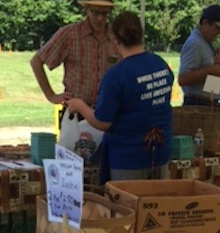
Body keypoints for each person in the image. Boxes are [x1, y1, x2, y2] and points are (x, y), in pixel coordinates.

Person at [65, 11, 174, 183]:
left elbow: (102, 121)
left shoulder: (117, 75)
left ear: (115, 40)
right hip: (160, 150)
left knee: (126, 207)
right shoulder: (160, 64)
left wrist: (80, 106)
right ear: (141, 34)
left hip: (129, 157)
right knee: (155, 204)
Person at [30, 0, 119, 107]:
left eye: (104, 14)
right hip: (75, 116)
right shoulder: (69, 34)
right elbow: (36, 61)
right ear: (86, 9)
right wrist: (51, 96)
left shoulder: (117, 38)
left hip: (107, 115)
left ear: (110, 11)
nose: (99, 18)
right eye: (95, 12)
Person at [178, 4, 220, 106]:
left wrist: (216, 65)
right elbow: (183, 79)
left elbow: (209, 75)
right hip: (197, 103)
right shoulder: (195, 43)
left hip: (206, 102)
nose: (219, 33)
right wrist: (210, 70)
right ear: (205, 23)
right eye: (217, 28)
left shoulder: (204, 42)